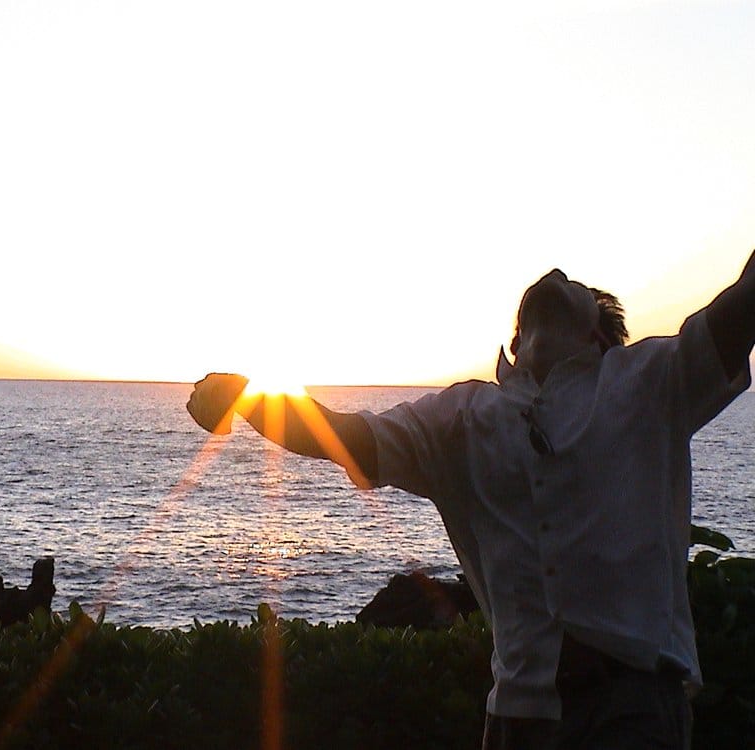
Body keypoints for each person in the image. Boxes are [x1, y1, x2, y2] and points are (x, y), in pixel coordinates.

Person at [186, 250, 755, 749]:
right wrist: (249, 402)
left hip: (632, 710)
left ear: (600, 339)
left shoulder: (651, 381)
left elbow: (743, 306)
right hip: (516, 718)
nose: (556, 272)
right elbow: (344, 436)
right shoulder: (457, 420)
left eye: (578, 288)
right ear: (516, 342)